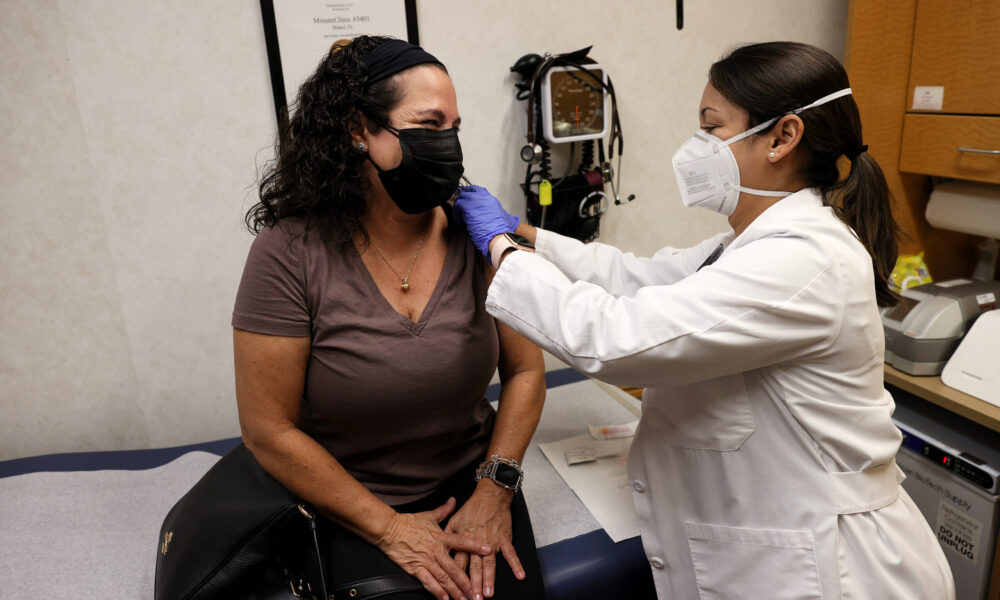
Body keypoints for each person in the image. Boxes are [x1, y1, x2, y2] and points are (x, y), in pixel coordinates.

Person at [455, 41, 954, 599]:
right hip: (776, 541)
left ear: (783, 137)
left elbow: (615, 339)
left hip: (833, 567)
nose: (695, 147)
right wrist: (525, 233)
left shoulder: (805, 261)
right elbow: (640, 277)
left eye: (712, 128)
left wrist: (500, 248)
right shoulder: (752, 244)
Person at [234, 36, 546, 600]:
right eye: (429, 125)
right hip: (348, 495)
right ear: (359, 130)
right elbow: (268, 430)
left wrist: (495, 490)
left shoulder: (475, 234)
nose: (448, 145)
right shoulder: (290, 252)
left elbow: (526, 372)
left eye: (454, 127)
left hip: (476, 481)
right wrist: (391, 528)